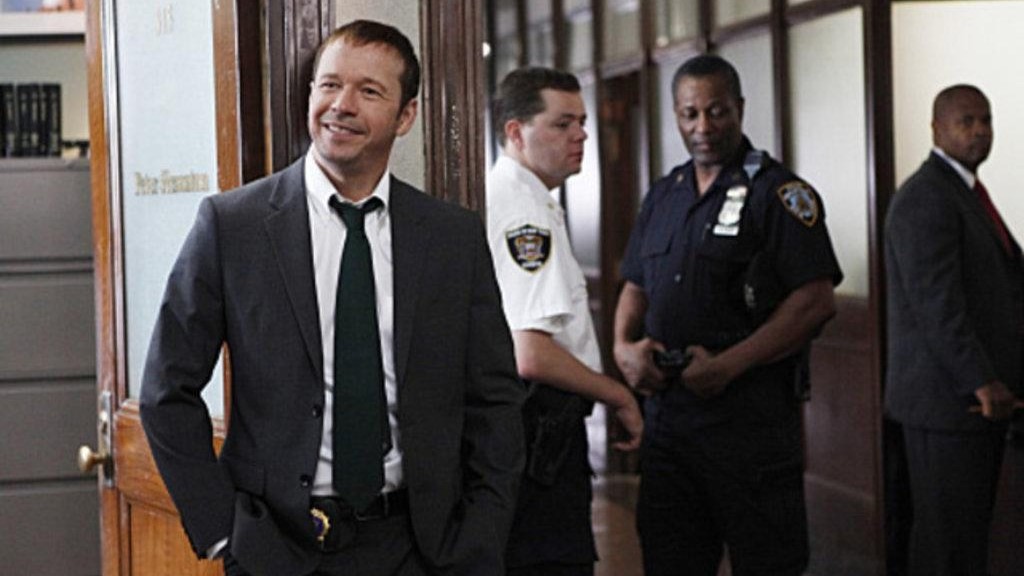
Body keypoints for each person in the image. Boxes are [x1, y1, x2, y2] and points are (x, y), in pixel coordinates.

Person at [139, 20, 525, 576]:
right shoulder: (233, 226)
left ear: (406, 116)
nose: (341, 105)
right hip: (276, 548)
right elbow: (165, 391)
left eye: (369, 91)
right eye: (329, 85)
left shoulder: (452, 238)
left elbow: (495, 401)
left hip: (422, 548)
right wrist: (222, 531)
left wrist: (480, 536)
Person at [612, 54, 842, 576]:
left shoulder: (778, 194)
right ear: (675, 115)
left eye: (716, 111)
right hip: (670, 425)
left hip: (749, 427)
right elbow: (635, 283)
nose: (703, 127)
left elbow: (815, 300)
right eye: (689, 114)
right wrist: (623, 347)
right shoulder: (664, 194)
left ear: (739, 108)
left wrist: (728, 366)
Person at [486, 67, 644, 576]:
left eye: (581, 122)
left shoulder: (528, 198)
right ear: (516, 131)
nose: (580, 136)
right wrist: (617, 395)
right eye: (561, 124)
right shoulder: (523, 213)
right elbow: (529, 352)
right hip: (537, 431)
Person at [884, 84, 1022, 576]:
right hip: (947, 406)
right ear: (936, 129)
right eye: (966, 121)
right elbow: (937, 306)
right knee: (950, 544)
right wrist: (981, 380)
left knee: (965, 538)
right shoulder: (926, 198)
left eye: (986, 120)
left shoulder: (965, 193)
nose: (980, 131)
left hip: (973, 406)